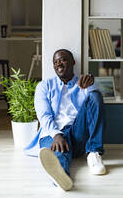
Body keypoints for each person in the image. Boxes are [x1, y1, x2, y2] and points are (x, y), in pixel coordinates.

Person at [24, 49, 106, 191]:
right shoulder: (44, 86)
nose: (58, 64)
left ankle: (94, 153)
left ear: (73, 62)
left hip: (77, 134)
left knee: (95, 96)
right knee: (59, 151)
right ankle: (61, 177)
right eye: (55, 62)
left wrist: (92, 85)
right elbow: (44, 115)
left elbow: (96, 104)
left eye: (62, 60)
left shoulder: (83, 82)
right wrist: (56, 134)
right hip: (53, 133)